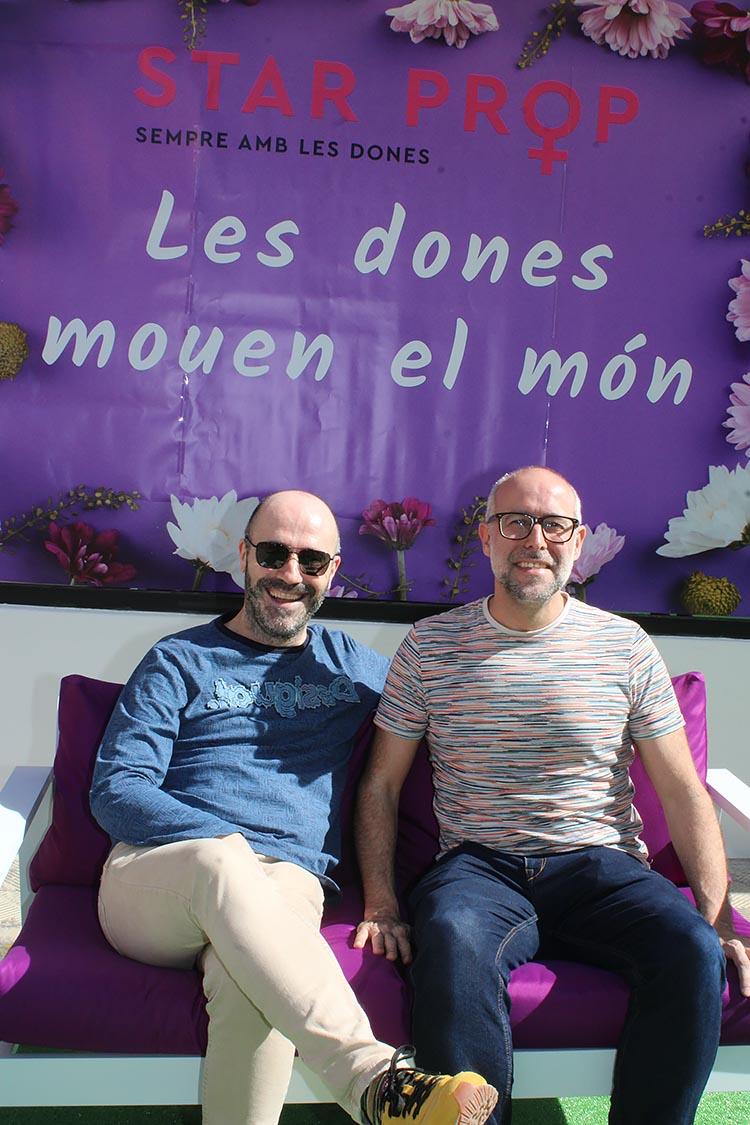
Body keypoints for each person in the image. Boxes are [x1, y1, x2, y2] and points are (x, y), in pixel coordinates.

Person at [354, 466, 750, 1125]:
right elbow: (381, 784)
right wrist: (382, 902)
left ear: (579, 540)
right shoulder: (430, 645)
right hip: (479, 866)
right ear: (486, 538)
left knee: (690, 948)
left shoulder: (625, 646)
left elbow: (683, 790)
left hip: (602, 865)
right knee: (450, 938)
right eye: (516, 522)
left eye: (555, 525)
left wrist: (718, 917)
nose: (535, 539)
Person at [90, 489, 498, 1125]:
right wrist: (228, 844)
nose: (290, 574)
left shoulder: (354, 669)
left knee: (251, 988)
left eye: (311, 561)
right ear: (244, 555)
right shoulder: (178, 659)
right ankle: (375, 1080)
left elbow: (449, 714)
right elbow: (118, 788)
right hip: (160, 877)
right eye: (274, 554)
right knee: (219, 862)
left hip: (287, 883)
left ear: (333, 572)